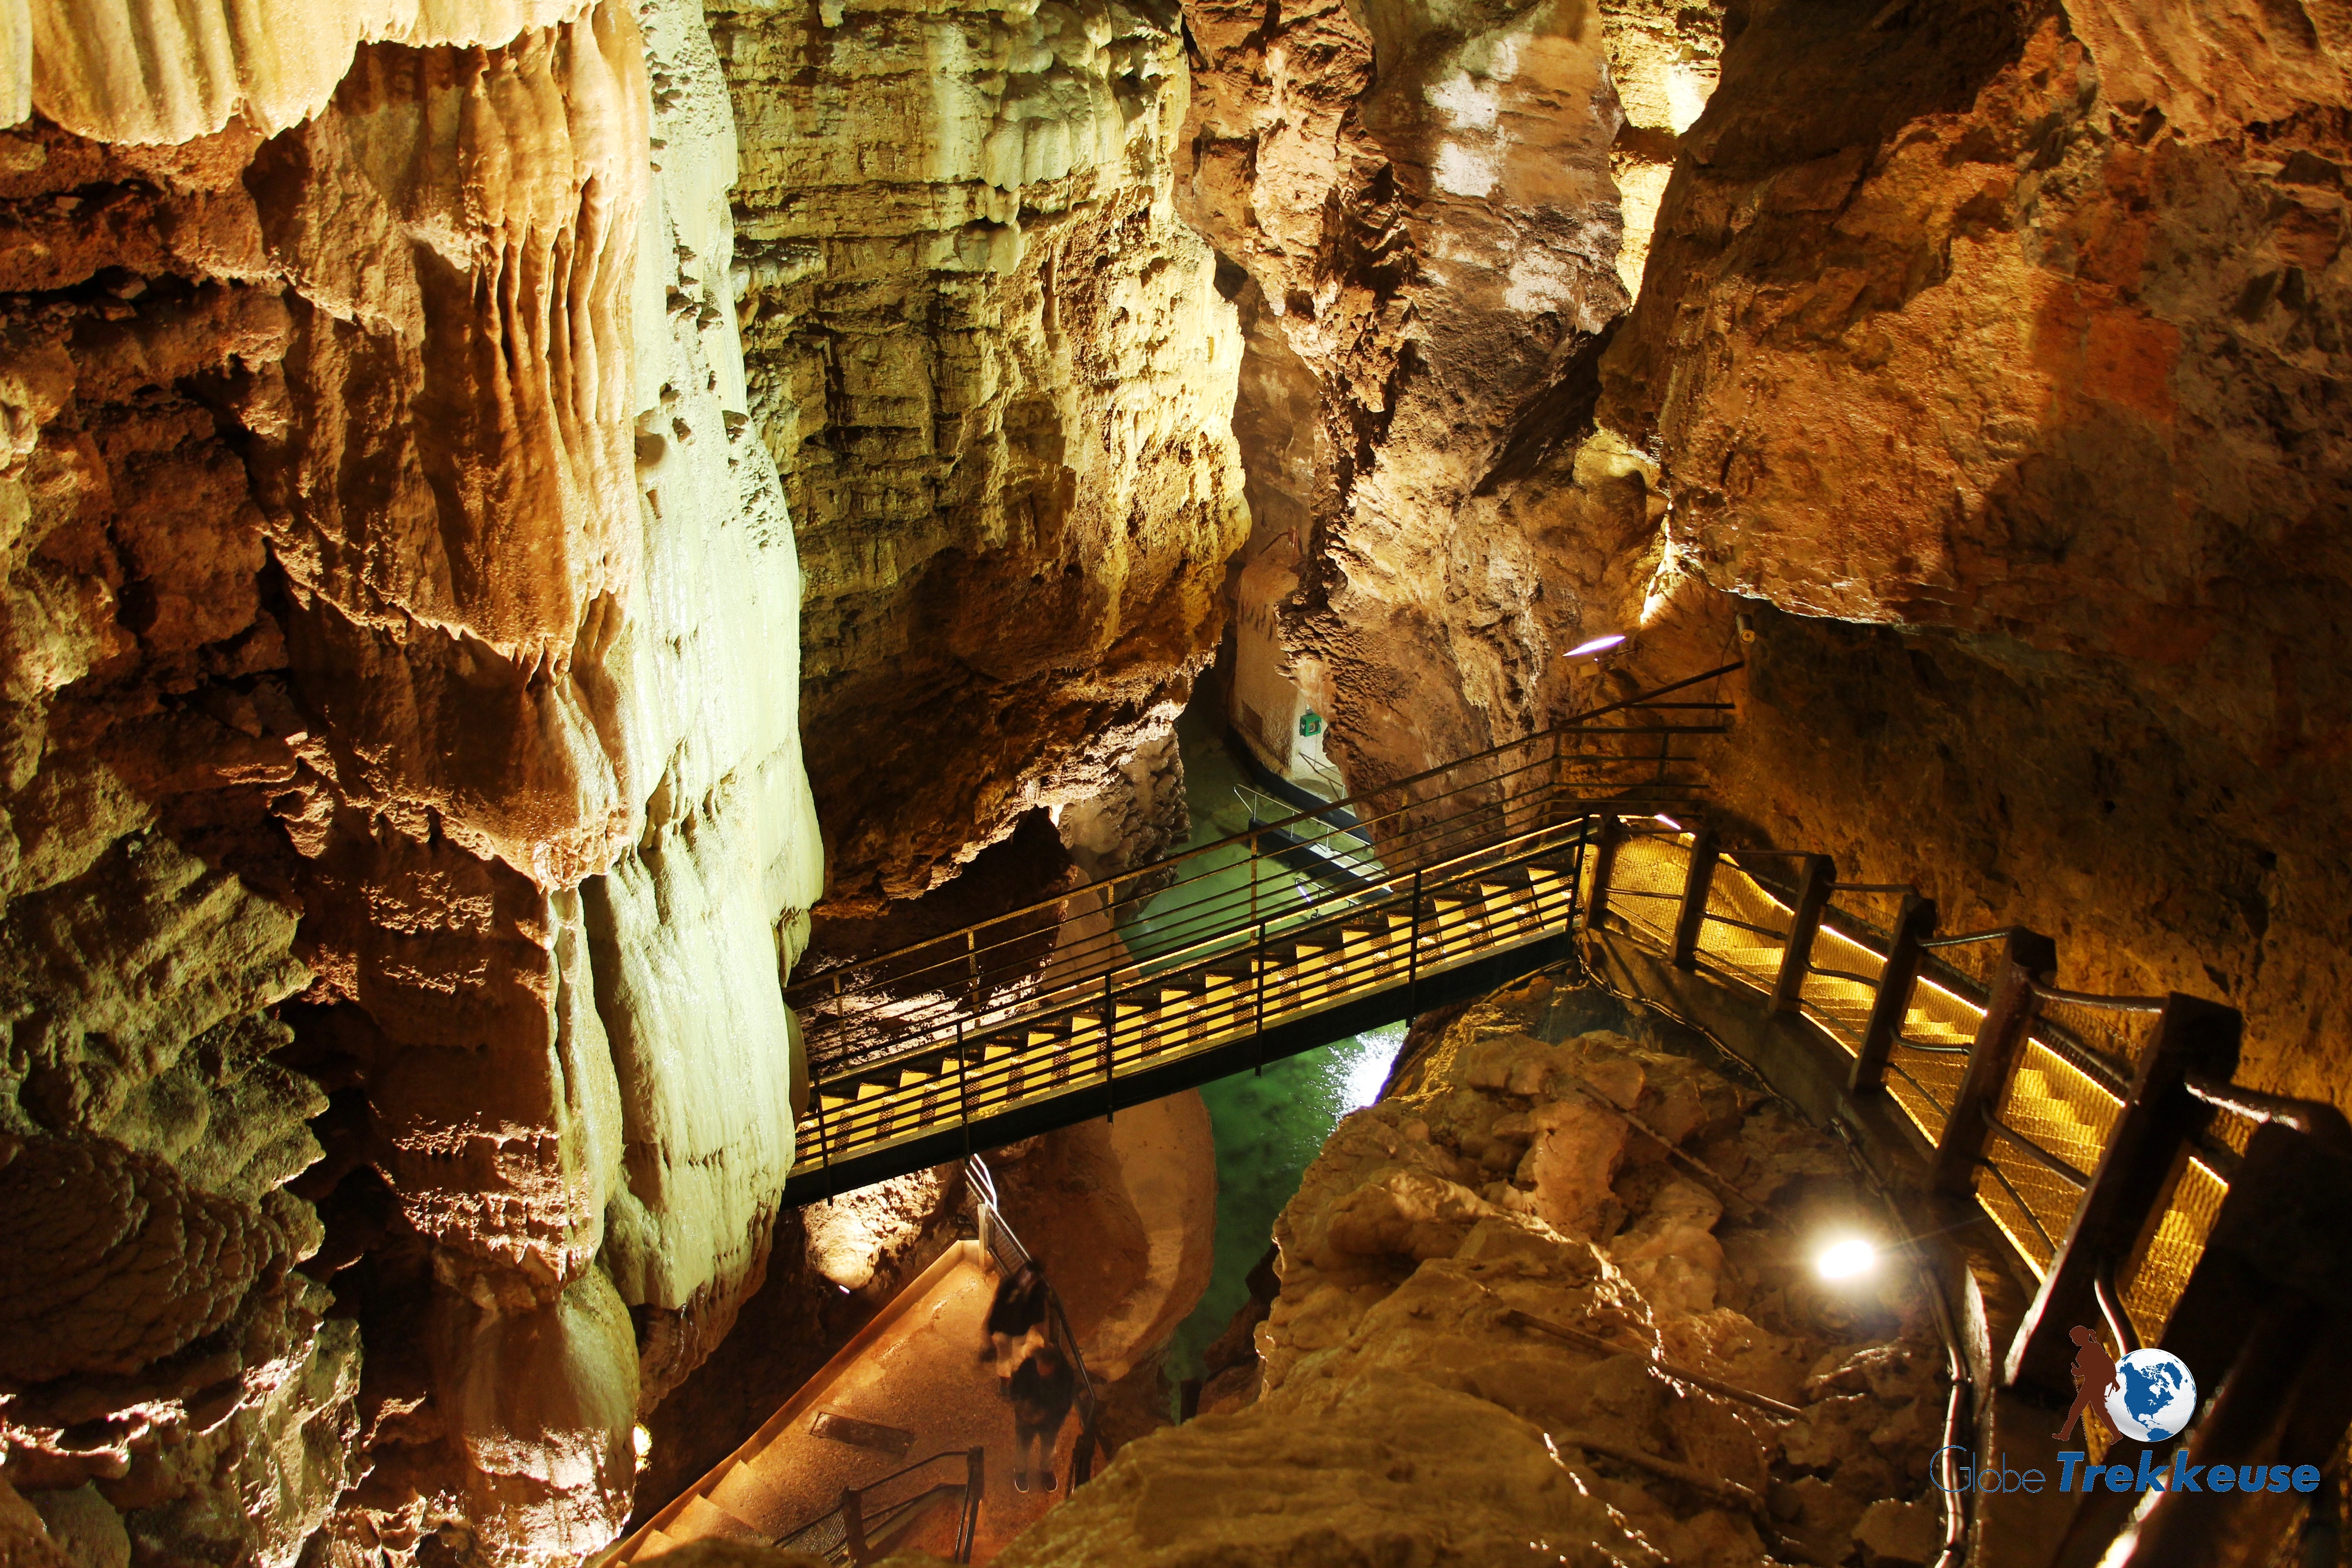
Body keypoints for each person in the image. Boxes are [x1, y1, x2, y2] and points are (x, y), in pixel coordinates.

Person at [1009, 1341, 1075, 1493]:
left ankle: (1047, 1471)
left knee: (1048, 1447)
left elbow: (1065, 1402)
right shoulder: (1028, 1367)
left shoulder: (1065, 1376)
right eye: (1039, 1366)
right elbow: (1016, 1390)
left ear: (1053, 1366)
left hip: (1050, 1421)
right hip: (1026, 1417)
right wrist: (1023, 1409)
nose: (1040, 1370)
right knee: (1023, 1445)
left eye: (1044, 1368)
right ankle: (1020, 1472)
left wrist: (1047, 1415)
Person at [984, 1259, 1048, 1397]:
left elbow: (1037, 1313)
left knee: (1017, 1355)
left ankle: (1014, 1379)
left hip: (1019, 1330)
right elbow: (998, 1306)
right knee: (1005, 1355)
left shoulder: (1033, 1289)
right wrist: (991, 1327)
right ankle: (1005, 1382)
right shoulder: (1011, 1284)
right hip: (1007, 1329)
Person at [2056, 1324, 2119, 1441]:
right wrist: (2077, 1371)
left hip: (2096, 1383)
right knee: (2077, 1409)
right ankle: (2065, 1434)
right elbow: (2086, 1370)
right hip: (2089, 1383)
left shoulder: (2094, 1348)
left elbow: (2104, 1363)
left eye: (2075, 1338)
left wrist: (2113, 1380)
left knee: (2099, 1410)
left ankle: (2116, 1433)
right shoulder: (2081, 1353)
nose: (2074, 1341)